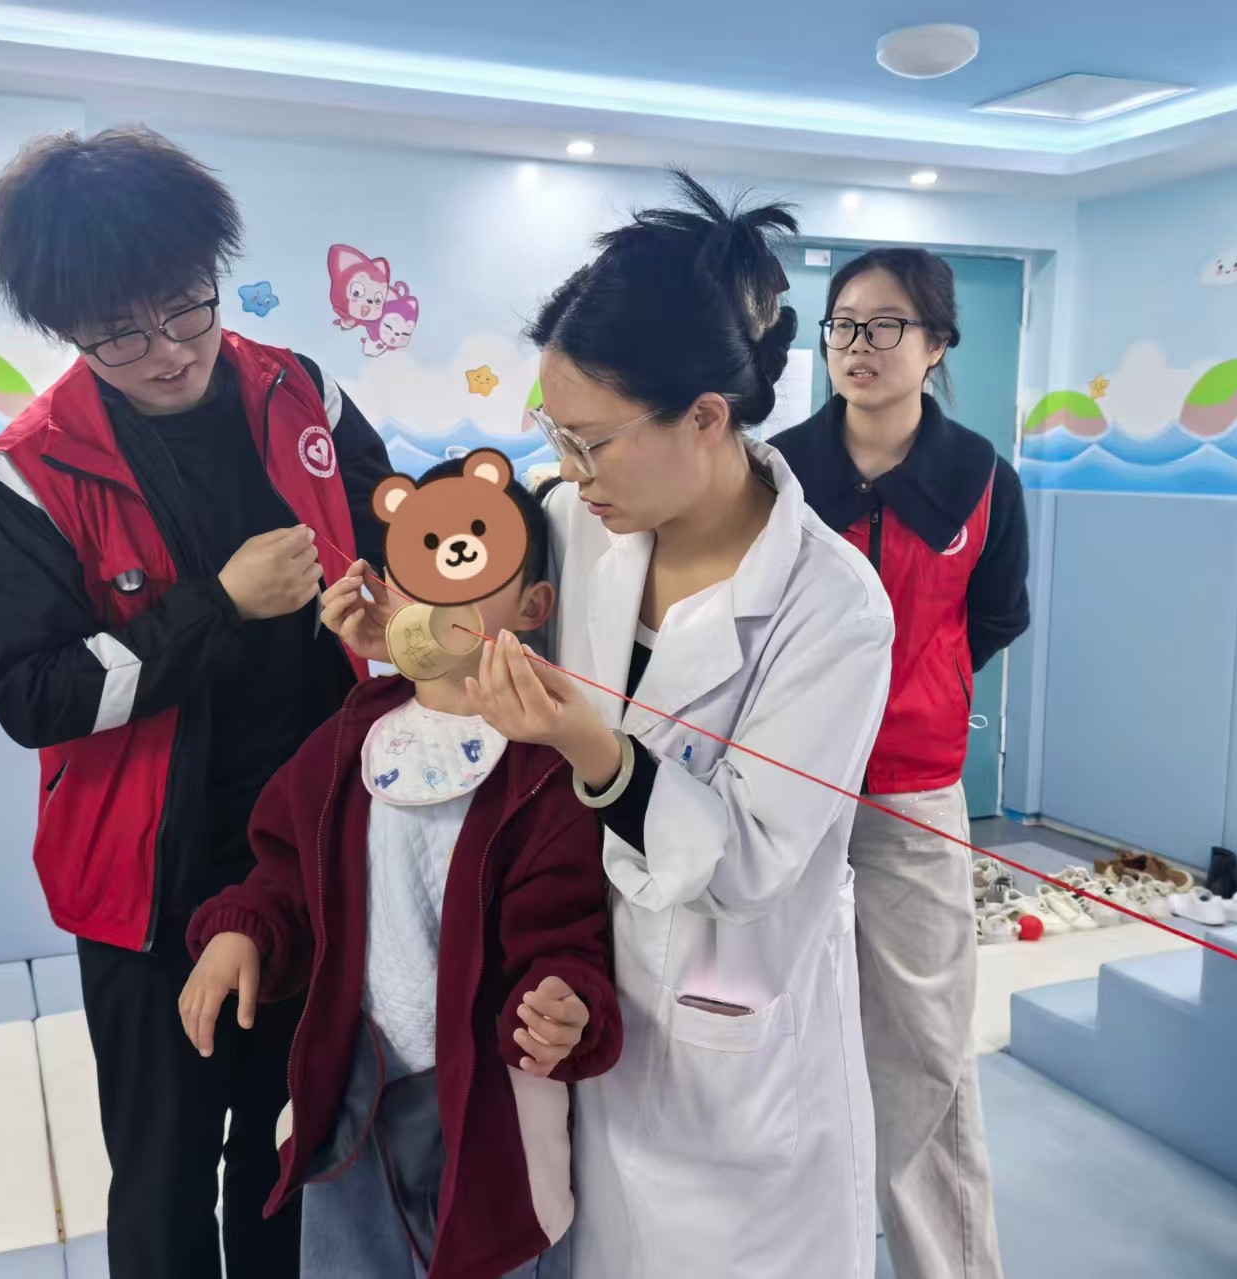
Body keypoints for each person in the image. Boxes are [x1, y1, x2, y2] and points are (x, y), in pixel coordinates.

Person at [322, 173, 893, 1278]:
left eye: (590, 440)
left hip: (732, 1050)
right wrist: (405, 637)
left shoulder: (831, 608)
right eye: (555, 433)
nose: (568, 470)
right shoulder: (572, 521)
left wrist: (592, 748)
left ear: (706, 417)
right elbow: (481, 632)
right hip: (570, 1008)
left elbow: (751, 862)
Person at [0, 126, 393, 1279]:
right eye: (119, 331)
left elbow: (396, 539)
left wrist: (391, 606)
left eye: (185, 305)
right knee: (161, 1176)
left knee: (288, 1154)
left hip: (311, 856)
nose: (165, 350)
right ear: (64, 326)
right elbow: (32, 694)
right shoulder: (28, 472)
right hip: (148, 893)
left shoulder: (302, 391)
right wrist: (218, 606)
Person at [180, 460, 622, 1279]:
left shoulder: (542, 771)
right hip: (350, 1096)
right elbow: (287, 871)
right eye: (423, 558)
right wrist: (242, 931)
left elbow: (564, 931)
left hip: (483, 1115)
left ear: (534, 608)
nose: (446, 583)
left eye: (477, 560)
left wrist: (564, 1000)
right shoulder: (351, 740)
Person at [773, 247, 1028, 1279]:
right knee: (771, 1036)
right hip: (786, 790)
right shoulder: (778, 474)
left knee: (927, 1054)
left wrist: (923, 695)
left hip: (912, 795)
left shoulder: (982, 479)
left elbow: (995, 616)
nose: (858, 345)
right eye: (842, 323)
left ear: (936, 345)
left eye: (885, 325)